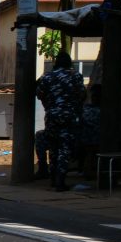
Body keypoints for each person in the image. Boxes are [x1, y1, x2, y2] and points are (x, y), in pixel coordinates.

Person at [35, 51, 86, 191]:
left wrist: (50, 105)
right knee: (65, 147)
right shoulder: (75, 75)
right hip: (69, 115)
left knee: (53, 146)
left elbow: (39, 94)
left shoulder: (47, 77)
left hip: (51, 115)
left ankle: (52, 178)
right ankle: (60, 181)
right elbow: (82, 94)